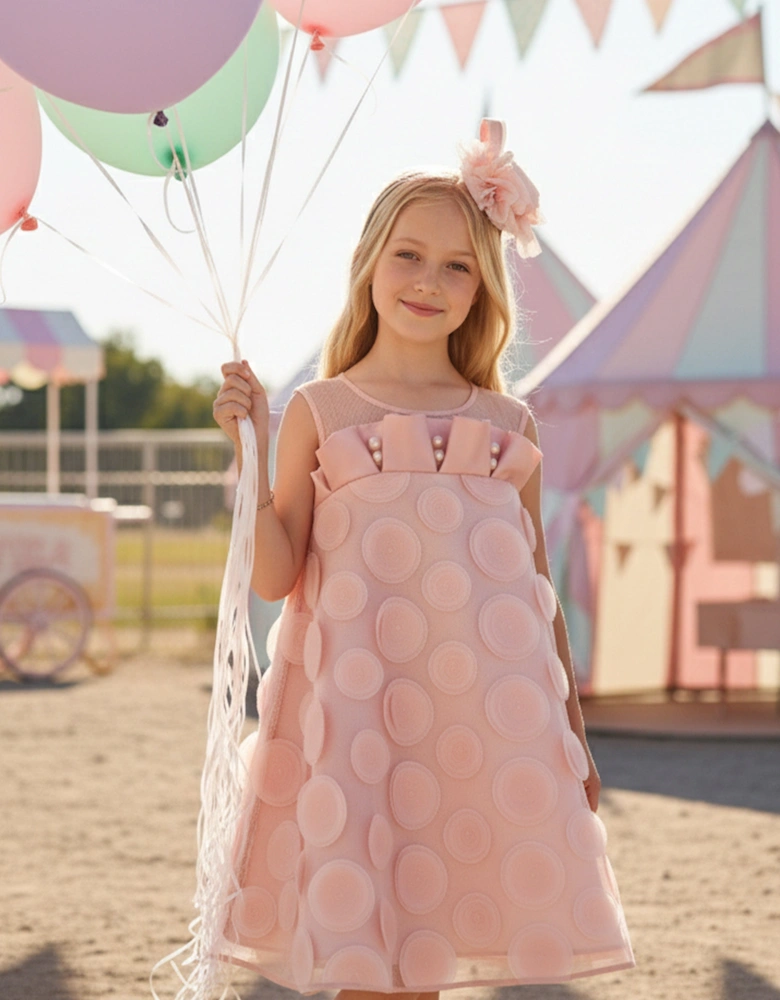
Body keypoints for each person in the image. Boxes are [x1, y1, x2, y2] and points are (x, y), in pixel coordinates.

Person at [211, 119, 636, 998]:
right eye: (409, 254)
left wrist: (574, 742)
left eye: (457, 266)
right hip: (361, 721)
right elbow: (276, 575)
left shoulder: (504, 426)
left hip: (482, 725)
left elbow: (538, 596)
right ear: (369, 259)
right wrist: (253, 453)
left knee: (431, 947)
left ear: (484, 288)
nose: (428, 282)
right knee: (369, 949)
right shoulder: (319, 410)